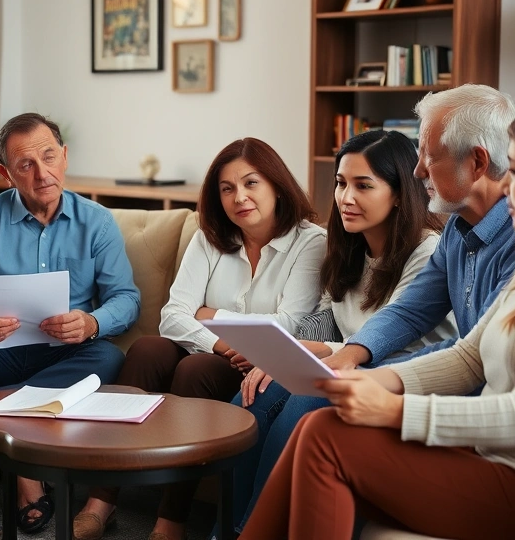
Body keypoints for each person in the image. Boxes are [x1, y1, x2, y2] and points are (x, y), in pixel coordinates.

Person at [243, 94, 515, 540]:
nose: (507, 185)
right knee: (322, 424)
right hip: (490, 457)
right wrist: (365, 374)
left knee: (326, 438)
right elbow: (468, 356)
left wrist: (394, 409)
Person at [72, 137, 326, 540]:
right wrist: (225, 341)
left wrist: (211, 315)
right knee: (147, 349)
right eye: (227, 189)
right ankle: (101, 501)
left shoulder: (311, 242)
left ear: (276, 184)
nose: (239, 197)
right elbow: (173, 316)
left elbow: (289, 324)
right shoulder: (210, 237)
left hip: (257, 367)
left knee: (195, 370)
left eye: (251, 183)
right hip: (216, 350)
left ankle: (171, 518)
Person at [221, 129, 456, 536]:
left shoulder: (426, 251)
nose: (346, 198)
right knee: (250, 397)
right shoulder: (348, 246)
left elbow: (396, 340)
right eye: (341, 184)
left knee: (303, 401)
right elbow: (327, 315)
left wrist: (316, 353)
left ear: (400, 192)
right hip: (346, 364)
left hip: (405, 373)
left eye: (363, 186)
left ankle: (252, 531)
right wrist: (290, 351)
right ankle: (226, 529)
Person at [0, 112, 140, 534]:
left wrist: (90, 321)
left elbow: (126, 298)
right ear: (6, 173)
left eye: (49, 156)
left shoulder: (97, 222)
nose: (42, 172)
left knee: (106, 354)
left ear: (64, 156)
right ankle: (27, 480)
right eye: (25, 164)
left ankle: (4, 407)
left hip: (67, 353)